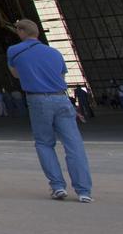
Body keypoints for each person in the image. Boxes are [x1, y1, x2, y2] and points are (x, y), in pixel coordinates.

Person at [8, 19, 93, 202]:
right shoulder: (55, 53)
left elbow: (15, 74)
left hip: (38, 99)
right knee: (74, 145)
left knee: (45, 143)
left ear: (21, 32)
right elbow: (61, 77)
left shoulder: (14, 50)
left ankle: (58, 186)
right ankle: (84, 191)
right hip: (61, 98)